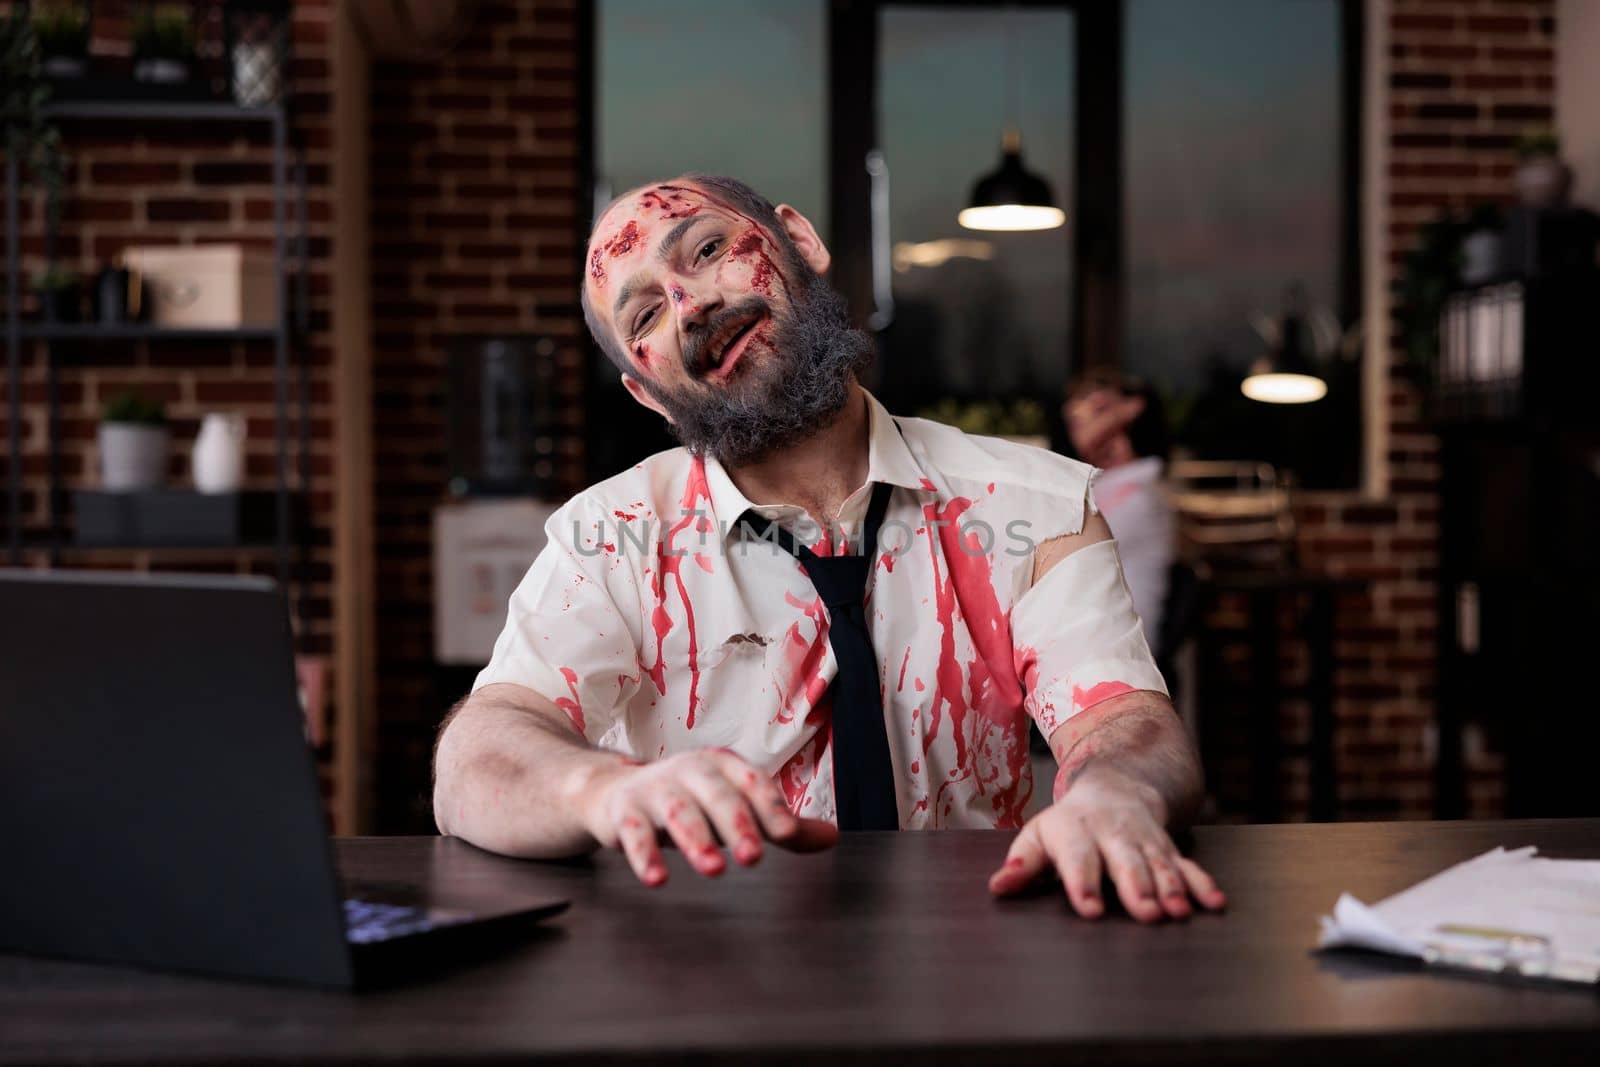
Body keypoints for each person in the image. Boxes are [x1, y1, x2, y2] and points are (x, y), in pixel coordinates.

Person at [432, 175, 1225, 923]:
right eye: (643, 318)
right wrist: (600, 790)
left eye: (706, 250)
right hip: (704, 977)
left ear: (799, 241)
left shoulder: (1036, 506)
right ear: (648, 394)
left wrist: (1114, 793)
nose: (690, 305)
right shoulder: (609, 537)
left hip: (980, 958)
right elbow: (480, 753)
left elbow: (1124, 722)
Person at [1064, 372, 1177, 648]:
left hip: (1119, 652)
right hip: (1091, 635)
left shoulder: (1139, 495)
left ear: (1131, 413)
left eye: (1099, 408)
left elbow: (1066, 556)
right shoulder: (1103, 485)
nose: (1077, 414)